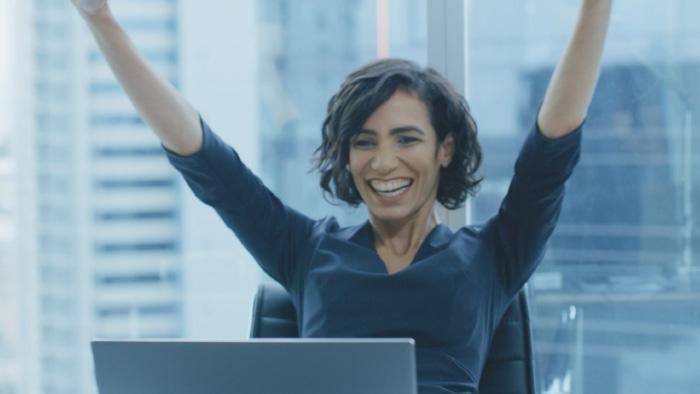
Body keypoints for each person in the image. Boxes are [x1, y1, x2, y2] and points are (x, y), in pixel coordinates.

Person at [71, 0, 612, 392]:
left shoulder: (491, 256)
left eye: (406, 140)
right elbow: (204, 158)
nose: (382, 162)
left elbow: (552, 147)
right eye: (364, 143)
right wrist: (101, 19)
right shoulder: (307, 251)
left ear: (444, 150)